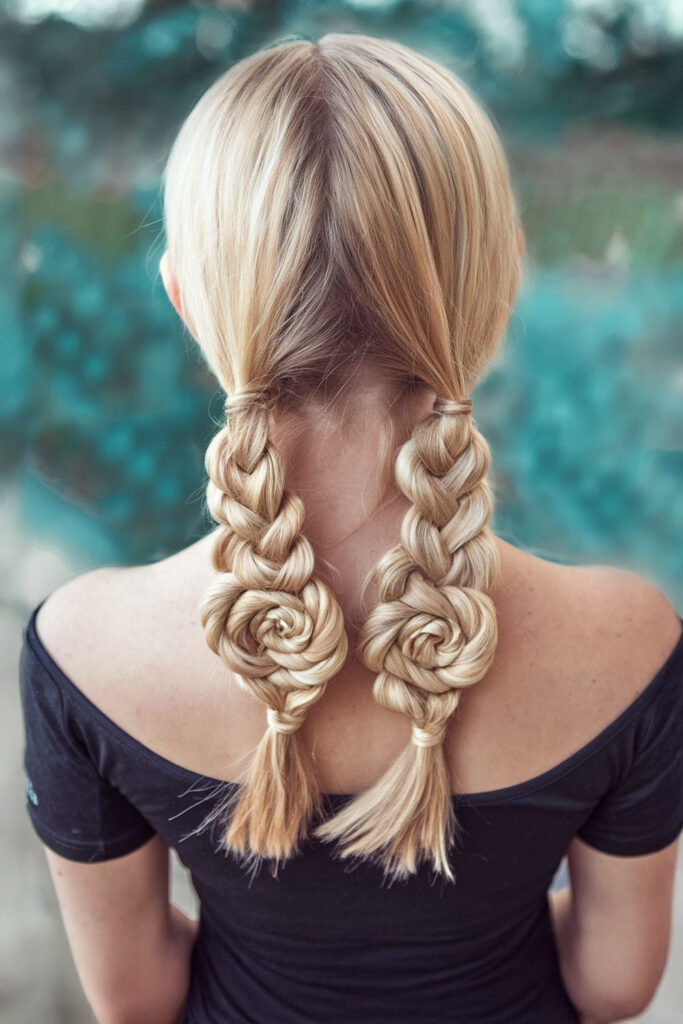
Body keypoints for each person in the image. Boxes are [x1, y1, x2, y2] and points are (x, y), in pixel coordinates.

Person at [19, 33, 682, 1024]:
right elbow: (612, 983)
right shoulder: (625, 640)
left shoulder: (84, 648)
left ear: (186, 300)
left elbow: (134, 996)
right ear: (495, 293)